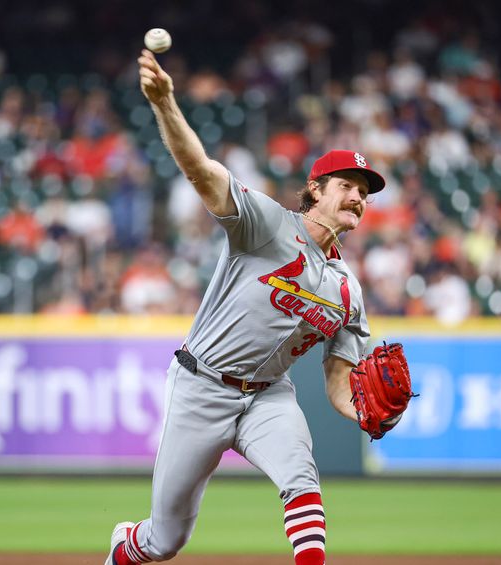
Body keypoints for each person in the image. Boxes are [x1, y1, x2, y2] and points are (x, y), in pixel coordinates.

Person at [104, 49, 387, 565]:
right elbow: (200, 170)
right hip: (200, 387)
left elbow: (339, 381)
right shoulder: (268, 224)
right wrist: (166, 104)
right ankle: (126, 546)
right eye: (346, 185)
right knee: (164, 541)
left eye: (364, 192)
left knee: (302, 480)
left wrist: (365, 413)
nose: (357, 197)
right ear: (315, 191)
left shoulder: (349, 292)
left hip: (267, 398)